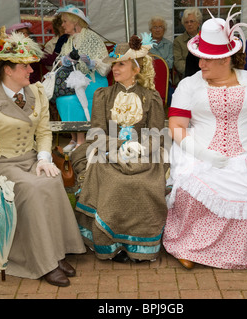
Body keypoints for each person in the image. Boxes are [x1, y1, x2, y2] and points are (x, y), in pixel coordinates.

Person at [163, 9, 247, 270]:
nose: (200, 64)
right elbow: (177, 126)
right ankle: (189, 245)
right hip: (198, 151)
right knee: (193, 187)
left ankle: (238, 247)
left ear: (225, 59)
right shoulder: (188, 85)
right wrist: (202, 154)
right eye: (200, 58)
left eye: (206, 60)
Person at [0, 29, 86, 287]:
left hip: (29, 158)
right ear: (8, 70)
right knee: (32, 188)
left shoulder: (36, 93)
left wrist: (44, 158)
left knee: (51, 181)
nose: (32, 70)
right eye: (25, 66)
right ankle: (43, 262)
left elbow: (43, 131)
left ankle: (56, 252)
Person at [70, 35, 168, 263]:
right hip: (108, 153)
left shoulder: (151, 97)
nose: (115, 68)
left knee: (142, 183)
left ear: (136, 68)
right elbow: (96, 133)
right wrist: (120, 146)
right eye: (114, 64)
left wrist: (139, 148)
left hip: (143, 154)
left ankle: (138, 247)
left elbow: (156, 135)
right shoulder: (102, 95)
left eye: (121, 64)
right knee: (114, 183)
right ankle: (110, 244)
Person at [55, 5, 111, 152]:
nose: (62, 24)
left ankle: (81, 140)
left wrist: (92, 63)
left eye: (65, 21)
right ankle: (74, 138)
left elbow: (106, 66)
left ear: (75, 22)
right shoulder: (68, 41)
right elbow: (58, 61)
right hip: (75, 81)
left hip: (93, 81)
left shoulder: (92, 37)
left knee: (76, 98)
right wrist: (64, 61)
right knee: (63, 99)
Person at [173, 8, 202, 81]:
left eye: (192, 21)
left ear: (198, 23)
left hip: (205, 74)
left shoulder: (205, 39)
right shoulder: (178, 41)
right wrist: (194, 72)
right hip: (186, 76)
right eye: (186, 22)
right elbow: (178, 62)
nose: (189, 24)